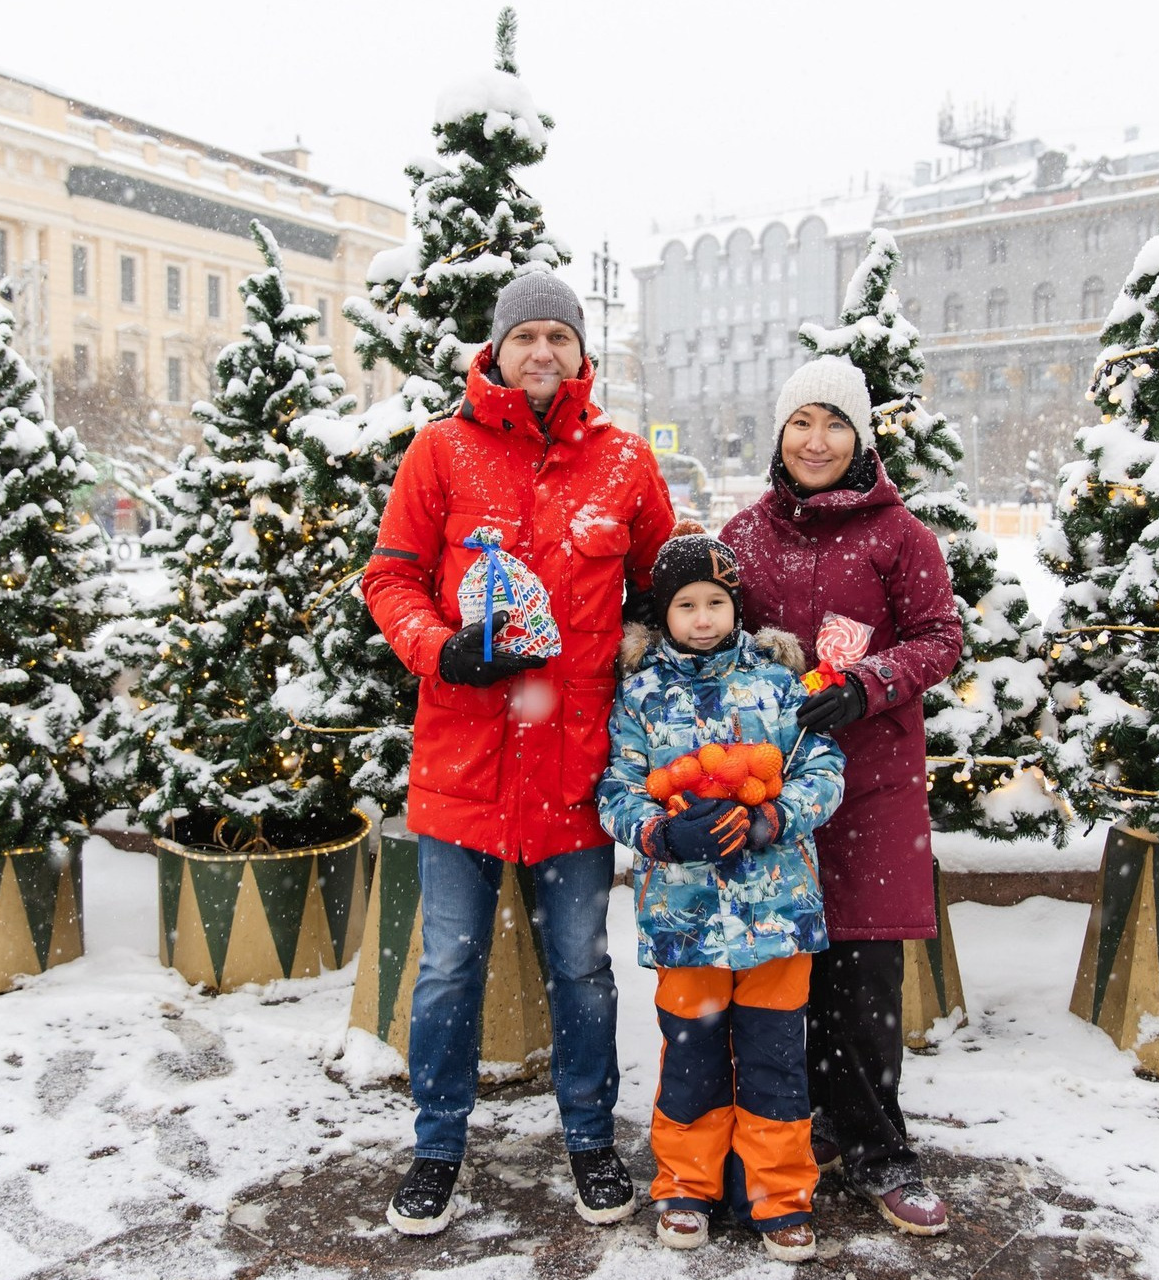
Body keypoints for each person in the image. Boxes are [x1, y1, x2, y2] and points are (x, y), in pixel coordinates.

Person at [363, 271, 677, 1236]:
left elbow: (666, 588)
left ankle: (589, 1137)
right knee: (450, 963)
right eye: (525, 336)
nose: (542, 352)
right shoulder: (442, 451)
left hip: (576, 769)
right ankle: (437, 1147)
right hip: (465, 760)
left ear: (582, 353)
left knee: (583, 964)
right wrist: (438, 647)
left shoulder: (624, 462)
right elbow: (391, 577)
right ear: (495, 351)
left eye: (560, 336)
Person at [721, 355, 963, 1237]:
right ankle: (795, 1134)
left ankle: (880, 1148)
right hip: (772, 788)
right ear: (779, 436)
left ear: (860, 437)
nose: (815, 441)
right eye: (800, 424)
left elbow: (941, 636)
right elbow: (708, 626)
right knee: (783, 973)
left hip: (871, 788)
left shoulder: (902, 537)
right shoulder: (744, 535)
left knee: (862, 979)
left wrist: (868, 683)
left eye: (834, 425)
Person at [596, 524, 845, 1263]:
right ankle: (685, 1185)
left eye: (715, 602)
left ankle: (779, 1193)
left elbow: (821, 768)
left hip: (777, 915)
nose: (702, 618)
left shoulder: (778, 684)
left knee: (775, 1059)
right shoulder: (639, 694)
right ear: (662, 614)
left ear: (736, 607)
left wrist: (773, 817)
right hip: (686, 917)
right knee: (692, 1055)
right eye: (686, 606)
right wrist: (661, 836)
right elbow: (616, 786)